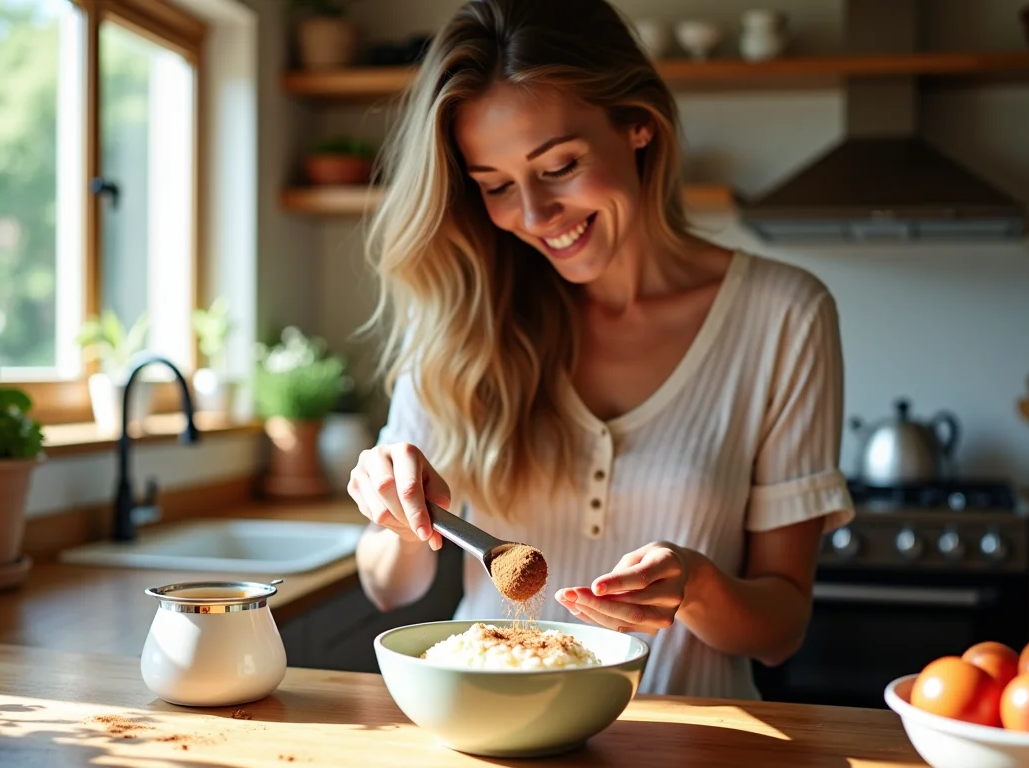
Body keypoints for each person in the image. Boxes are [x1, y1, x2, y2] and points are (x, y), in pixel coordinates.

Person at [348, 0, 855, 700]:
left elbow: (780, 629)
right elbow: (383, 584)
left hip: (694, 745)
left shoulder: (784, 316)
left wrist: (699, 588)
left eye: (559, 165)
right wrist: (398, 518)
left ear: (639, 124)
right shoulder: (463, 320)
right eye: (494, 186)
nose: (531, 216)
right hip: (491, 730)